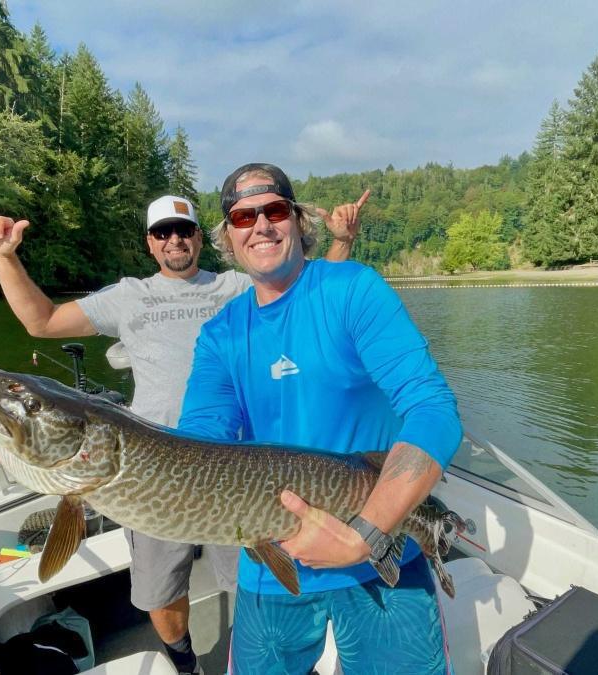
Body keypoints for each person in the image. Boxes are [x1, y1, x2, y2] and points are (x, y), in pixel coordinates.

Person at [0, 192, 362, 675]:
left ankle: (259, 655)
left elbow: (311, 300)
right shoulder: (128, 296)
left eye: (184, 230)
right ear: (150, 243)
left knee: (252, 585)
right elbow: (41, 321)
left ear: (200, 238)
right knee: (160, 594)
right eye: (162, 232)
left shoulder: (237, 286)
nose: (175, 239)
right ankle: (186, 664)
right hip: (141, 471)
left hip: (238, 471)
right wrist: (3, 256)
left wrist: (342, 241)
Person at [177, 163, 462, 674]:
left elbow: (432, 407)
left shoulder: (353, 289)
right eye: (243, 217)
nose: (261, 226)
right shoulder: (220, 335)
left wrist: (365, 534)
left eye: (274, 210)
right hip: (270, 566)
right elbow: (197, 445)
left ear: (298, 221)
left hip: (380, 554)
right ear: (229, 238)